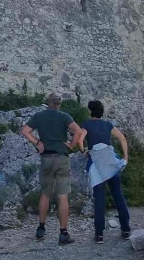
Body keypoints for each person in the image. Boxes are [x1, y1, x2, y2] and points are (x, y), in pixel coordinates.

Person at [20, 93, 82, 245]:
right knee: (63, 195)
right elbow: (78, 131)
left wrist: (37, 142)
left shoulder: (39, 116)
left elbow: (25, 131)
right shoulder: (64, 116)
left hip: (46, 157)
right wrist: (72, 145)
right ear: (59, 104)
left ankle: (41, 228)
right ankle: (63, 233)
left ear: (48, 103)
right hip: (61, 157)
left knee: (45, 193)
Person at [81, 100, 131, 243]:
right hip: (111, 161)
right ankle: (126, 229)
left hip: (96, 164)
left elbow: (79, 139)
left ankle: (99, 235)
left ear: (90, 111)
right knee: (118, 196)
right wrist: (125, 158)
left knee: (99, 199)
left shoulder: (87, 124)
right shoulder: (108, 125)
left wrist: (84, 150)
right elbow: (122, 139)